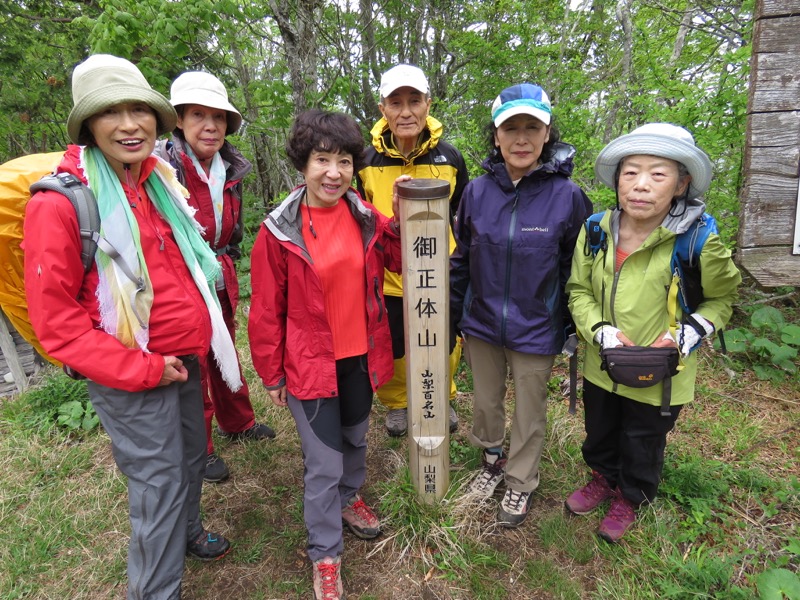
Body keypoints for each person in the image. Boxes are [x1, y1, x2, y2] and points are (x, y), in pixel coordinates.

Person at [24, 54, 235, 599]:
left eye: (139, 109)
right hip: (132, 373)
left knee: (189, 459)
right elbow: (58, 326)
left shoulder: (155, 181)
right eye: (110, 112)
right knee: (158, 484)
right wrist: (142, 368)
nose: (128, 124)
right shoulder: (64, 203)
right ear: (88, 125)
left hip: (181, 359)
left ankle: (188, 534)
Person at [248, 110, 402, 600]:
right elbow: (266, 309)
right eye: (321, 160)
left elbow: (401, 258)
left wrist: (408, 216)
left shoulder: (364, 217)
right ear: (303, 164)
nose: (333, 172)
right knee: (323, 462)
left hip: (361, 355)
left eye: (343, 161)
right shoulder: (279, 231)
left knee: (356, 441)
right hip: (309, 362)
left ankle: (349, 499)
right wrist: (271, 374)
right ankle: (325, 553)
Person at [565, 123, 741, 542]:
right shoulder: (596, 229)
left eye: (657, 175)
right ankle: (603, 477)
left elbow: (721, 300)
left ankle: (632, 494)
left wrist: (690, 332)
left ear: (681, 184)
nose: (641, 185)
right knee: (601, 428)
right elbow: (578, 290)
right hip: (602, 362)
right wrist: (599, 330)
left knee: (644, 438)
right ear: (617, 179)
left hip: (663, 371)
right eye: (631, 173)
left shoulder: (699, 240)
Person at [450, 83, 592, 528]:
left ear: (548, 132)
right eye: (511, 128)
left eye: (533, 127)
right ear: (496, 136)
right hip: (483, 323)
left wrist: (570, 327)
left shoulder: (569, 196)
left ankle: (520, 481)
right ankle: (492, 460)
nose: (522, 138)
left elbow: (578, 267)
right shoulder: (475, 192)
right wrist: (455, 314)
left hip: (538, 326)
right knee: (486, 404)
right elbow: (462, 259)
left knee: (530, 411)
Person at [157, 71, 275, 484]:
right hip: (181, 275)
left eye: (219, 117)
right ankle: (199, 448)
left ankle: (238, 422)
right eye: (198, 115)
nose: (211, 126)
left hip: (220, 268)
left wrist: (231, 258)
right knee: (194, 358)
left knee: (225, 342)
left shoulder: (230, 166)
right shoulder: (160, 167)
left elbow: (232, 224)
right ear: (179, 121)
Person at [357, 63, 468, 436]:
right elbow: (358, 215)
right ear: (382, 109)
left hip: (441, 271)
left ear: (428, 104)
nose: (406, 111)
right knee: (396, 342)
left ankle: (443, 394)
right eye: (396, 102)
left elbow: (462, 212)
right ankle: (399, 402)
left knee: (445, 337)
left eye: (414, 101)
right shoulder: (365, 160)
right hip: (389, 275)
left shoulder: (449, 158)